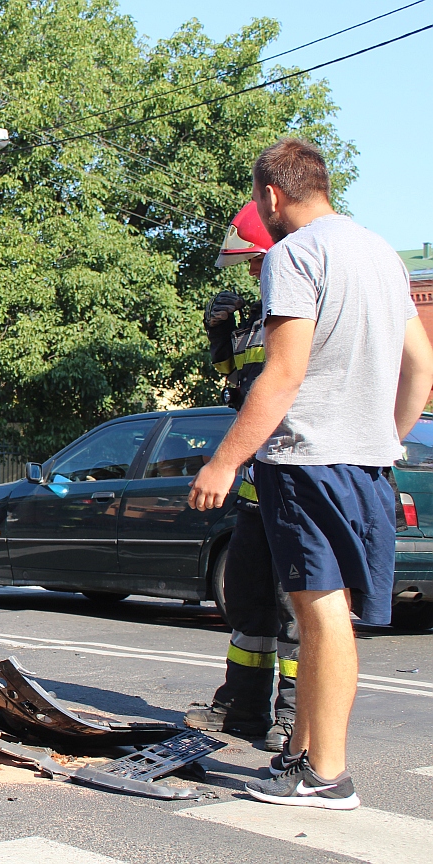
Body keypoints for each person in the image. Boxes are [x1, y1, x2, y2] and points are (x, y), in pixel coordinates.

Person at [189, 138, 433, 810]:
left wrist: (225, 459)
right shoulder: (381, 252)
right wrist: (385, 435)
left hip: (307, 460)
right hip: (364, 462)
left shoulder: (295, 254)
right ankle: (301, 756)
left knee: (321, 618)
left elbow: (285, 374)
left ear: (271, 196)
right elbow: (421, 367)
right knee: (333, 616)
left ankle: (327, 774)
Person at [184, 202, 298, 752]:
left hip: (297, 487)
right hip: (257, 491)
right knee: (249, 604)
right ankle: (244, 707)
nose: (252, 274)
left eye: (257, 263)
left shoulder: (303, 313)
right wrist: (220, 340)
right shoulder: (261, 319)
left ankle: (295, 715)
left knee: (295, 607)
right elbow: (239, 394)